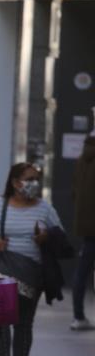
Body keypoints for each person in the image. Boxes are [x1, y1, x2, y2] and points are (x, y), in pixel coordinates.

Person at [0, 163, 64, 356]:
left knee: (24, 323)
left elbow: (59, 234)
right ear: (15, 183)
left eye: (37, 179)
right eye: (29, 178)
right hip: (4, 271)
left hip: (32, 274)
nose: (34, 183)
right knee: (0, 320)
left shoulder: (44, 209)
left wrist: (45, 237)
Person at [72, 130, 95, 330]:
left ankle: (78, 316)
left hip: (87, 226)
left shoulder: (82, 160)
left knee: (82, 271)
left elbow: (74, 191)